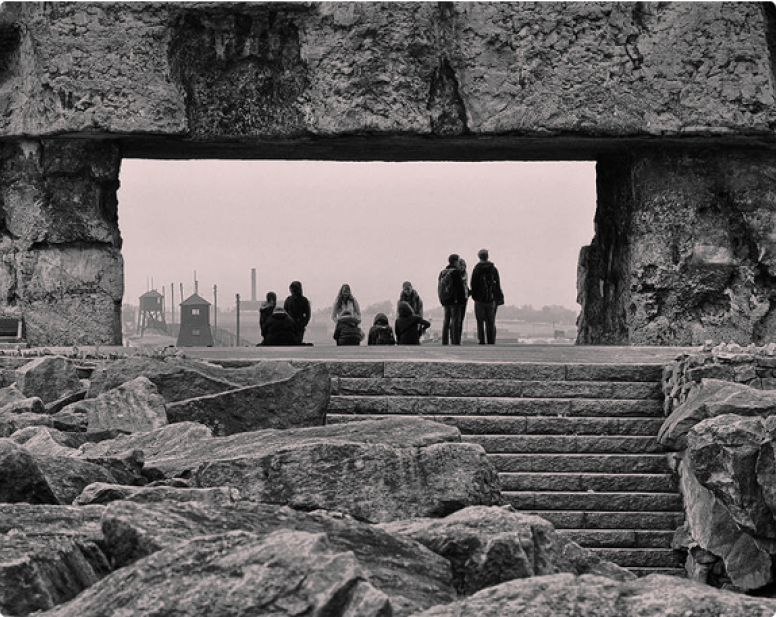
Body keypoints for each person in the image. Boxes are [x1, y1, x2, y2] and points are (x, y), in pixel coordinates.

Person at [470, 248, 504, 344]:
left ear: (479, 257)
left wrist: (475, 296)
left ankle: (481, 340)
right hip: (491, 299)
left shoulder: (476, 269)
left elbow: (473, 284)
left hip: (480, 300)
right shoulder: (493, 269)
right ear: (487, 256)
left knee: (480, 322)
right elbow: (497, 284)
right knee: (491, 322)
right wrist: (499, 297)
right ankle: (491, 340)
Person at [438, 253, 467, 345]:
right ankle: (455, 341)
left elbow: (439, 287)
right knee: (455, 321)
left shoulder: (443, 272)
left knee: (446, 321)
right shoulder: (455, 272)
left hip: (445, 300)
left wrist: (442, 300)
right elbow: (459, 288)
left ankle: (444, 341)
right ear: (455, 261)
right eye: (458, 261)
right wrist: (462, 300)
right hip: (455, 300)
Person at [457, 257, 470, 343]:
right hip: (457, 298)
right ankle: (455, 337)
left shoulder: (466, 274)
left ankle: (458, 337)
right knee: (455, 319)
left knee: (461, 319)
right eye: (460, 265)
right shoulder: (455, 274)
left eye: (463, 265)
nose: (462, 267)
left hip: (464, 298)